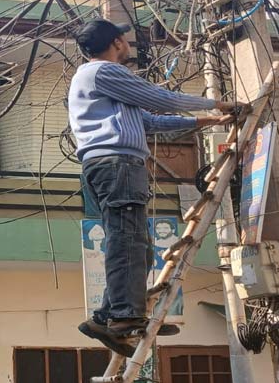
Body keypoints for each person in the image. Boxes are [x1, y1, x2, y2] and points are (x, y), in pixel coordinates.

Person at [68, 18, 246, 354]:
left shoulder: (100, 82)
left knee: (134, 243)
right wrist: (215, 104)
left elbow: (149, 121)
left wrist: (208, 121)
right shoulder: (105, 72)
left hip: (110, 165)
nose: (127, 44)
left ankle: (108, 316)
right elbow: (159, 99)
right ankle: (124, 316)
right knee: (127, 241)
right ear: (117, 42)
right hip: (117, 164)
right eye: (124, 39)